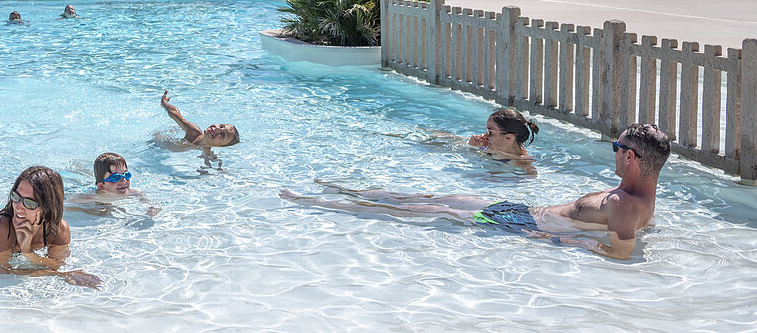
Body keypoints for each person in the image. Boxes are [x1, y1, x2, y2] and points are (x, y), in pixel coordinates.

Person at [281, 124, 670, 260]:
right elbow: (624, 236)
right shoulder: (640, 199)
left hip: (520, 224)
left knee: (425, 212)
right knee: (436, 199)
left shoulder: (622, 203)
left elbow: (617, 254)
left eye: (617, 149)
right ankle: (340, 190)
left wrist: (547, 239)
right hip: (521, 210)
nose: (614, 153)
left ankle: (322, 202)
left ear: (632, 158)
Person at [161, 90, 239, 149]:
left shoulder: (207, 155)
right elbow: (173, 112)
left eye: (222, 135)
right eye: (221, 126)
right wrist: (164, 102)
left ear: (220, 146)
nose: (218, 129)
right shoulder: (193, 131)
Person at [467, 108, 539, 161]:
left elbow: (532, 176)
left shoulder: (522, 163)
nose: (485, 136)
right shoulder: (486, 144)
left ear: (508, 138)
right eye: (486, 131)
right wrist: (471, 146)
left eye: (490, 132)